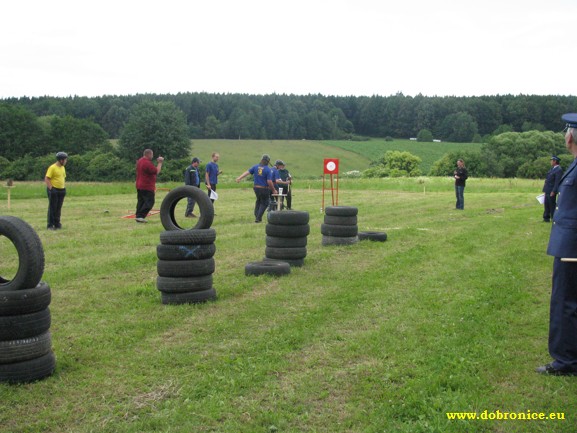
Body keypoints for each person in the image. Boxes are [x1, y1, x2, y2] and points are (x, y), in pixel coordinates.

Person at [537, 113, 577, 376]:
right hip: (568, 243)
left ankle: (565, 362)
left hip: (572, 247)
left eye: (566, 131)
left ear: (571, 136)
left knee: (564, 302)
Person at [236, 154, 276, 223]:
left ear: (261, 160)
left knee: (258, 201)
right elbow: (269, 181)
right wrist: (273, 190)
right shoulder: (268, 169)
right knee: (265, 203)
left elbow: (247, 172)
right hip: (264, 188)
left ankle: (256, 215)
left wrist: (239, 178)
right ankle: (258, 218)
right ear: (268, 162)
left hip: (256, 188)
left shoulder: (255, 167)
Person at [135, 149, 164, 223]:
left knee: (141, 201)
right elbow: (156, 171)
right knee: (150, 201)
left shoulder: (140, 161)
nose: (152, 156)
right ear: (149, 154)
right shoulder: (147, 163)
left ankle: (138, 216)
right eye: (152, 154)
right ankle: (141, 216)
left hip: (139, 185)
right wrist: (160, 163)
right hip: (147, 186)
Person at [45, 151, 68, 230]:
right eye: (65, 160)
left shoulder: (62, 168)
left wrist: (64, 188)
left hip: (61, 190)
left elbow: (62, 178)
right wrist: (51, 189)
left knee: (58, 208)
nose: (66, 161)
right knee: (52, 208)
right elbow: (47, 179)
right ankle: (50, 225)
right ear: (61, 160)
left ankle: (57, 223)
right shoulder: (52, 167)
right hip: (54, 189)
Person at [542, 156, 563, 222]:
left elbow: (557, 181)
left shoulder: (559, 170)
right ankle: (546, 218)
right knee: (546, 204)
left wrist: (554, 191)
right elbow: (547, 179)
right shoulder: (552, 169)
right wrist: (545, 190)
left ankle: (554, 218)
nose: (550, 162)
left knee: (552, 205)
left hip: (552, 190)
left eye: (552, 160)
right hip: (548, 189)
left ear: (555, 161)